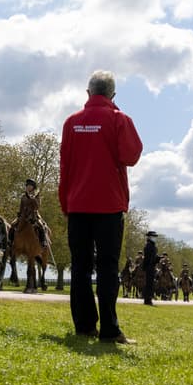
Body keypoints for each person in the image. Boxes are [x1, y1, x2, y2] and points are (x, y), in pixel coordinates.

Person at [57, 70, 143, 345]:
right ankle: (109, 329)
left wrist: (65, 202)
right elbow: (131, 156)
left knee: (80, 267)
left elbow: (65, 167)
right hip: (108, 205)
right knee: (107, 268)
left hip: (78, 204)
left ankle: (83, 326)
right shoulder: (119, 119)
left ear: (88, 93)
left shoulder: (71, 123)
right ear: (113, 95)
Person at [142, 231, 159, 306]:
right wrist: (156, 259)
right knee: (149, 284)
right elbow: (149, 258)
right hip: (149, 266)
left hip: (152, 266)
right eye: (153, 236)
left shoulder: (152, 245)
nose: (155, 238)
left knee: (151, 283)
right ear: (149, 237)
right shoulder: (149, 246)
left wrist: (157, 259)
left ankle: (149, 298)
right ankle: (147, 299)